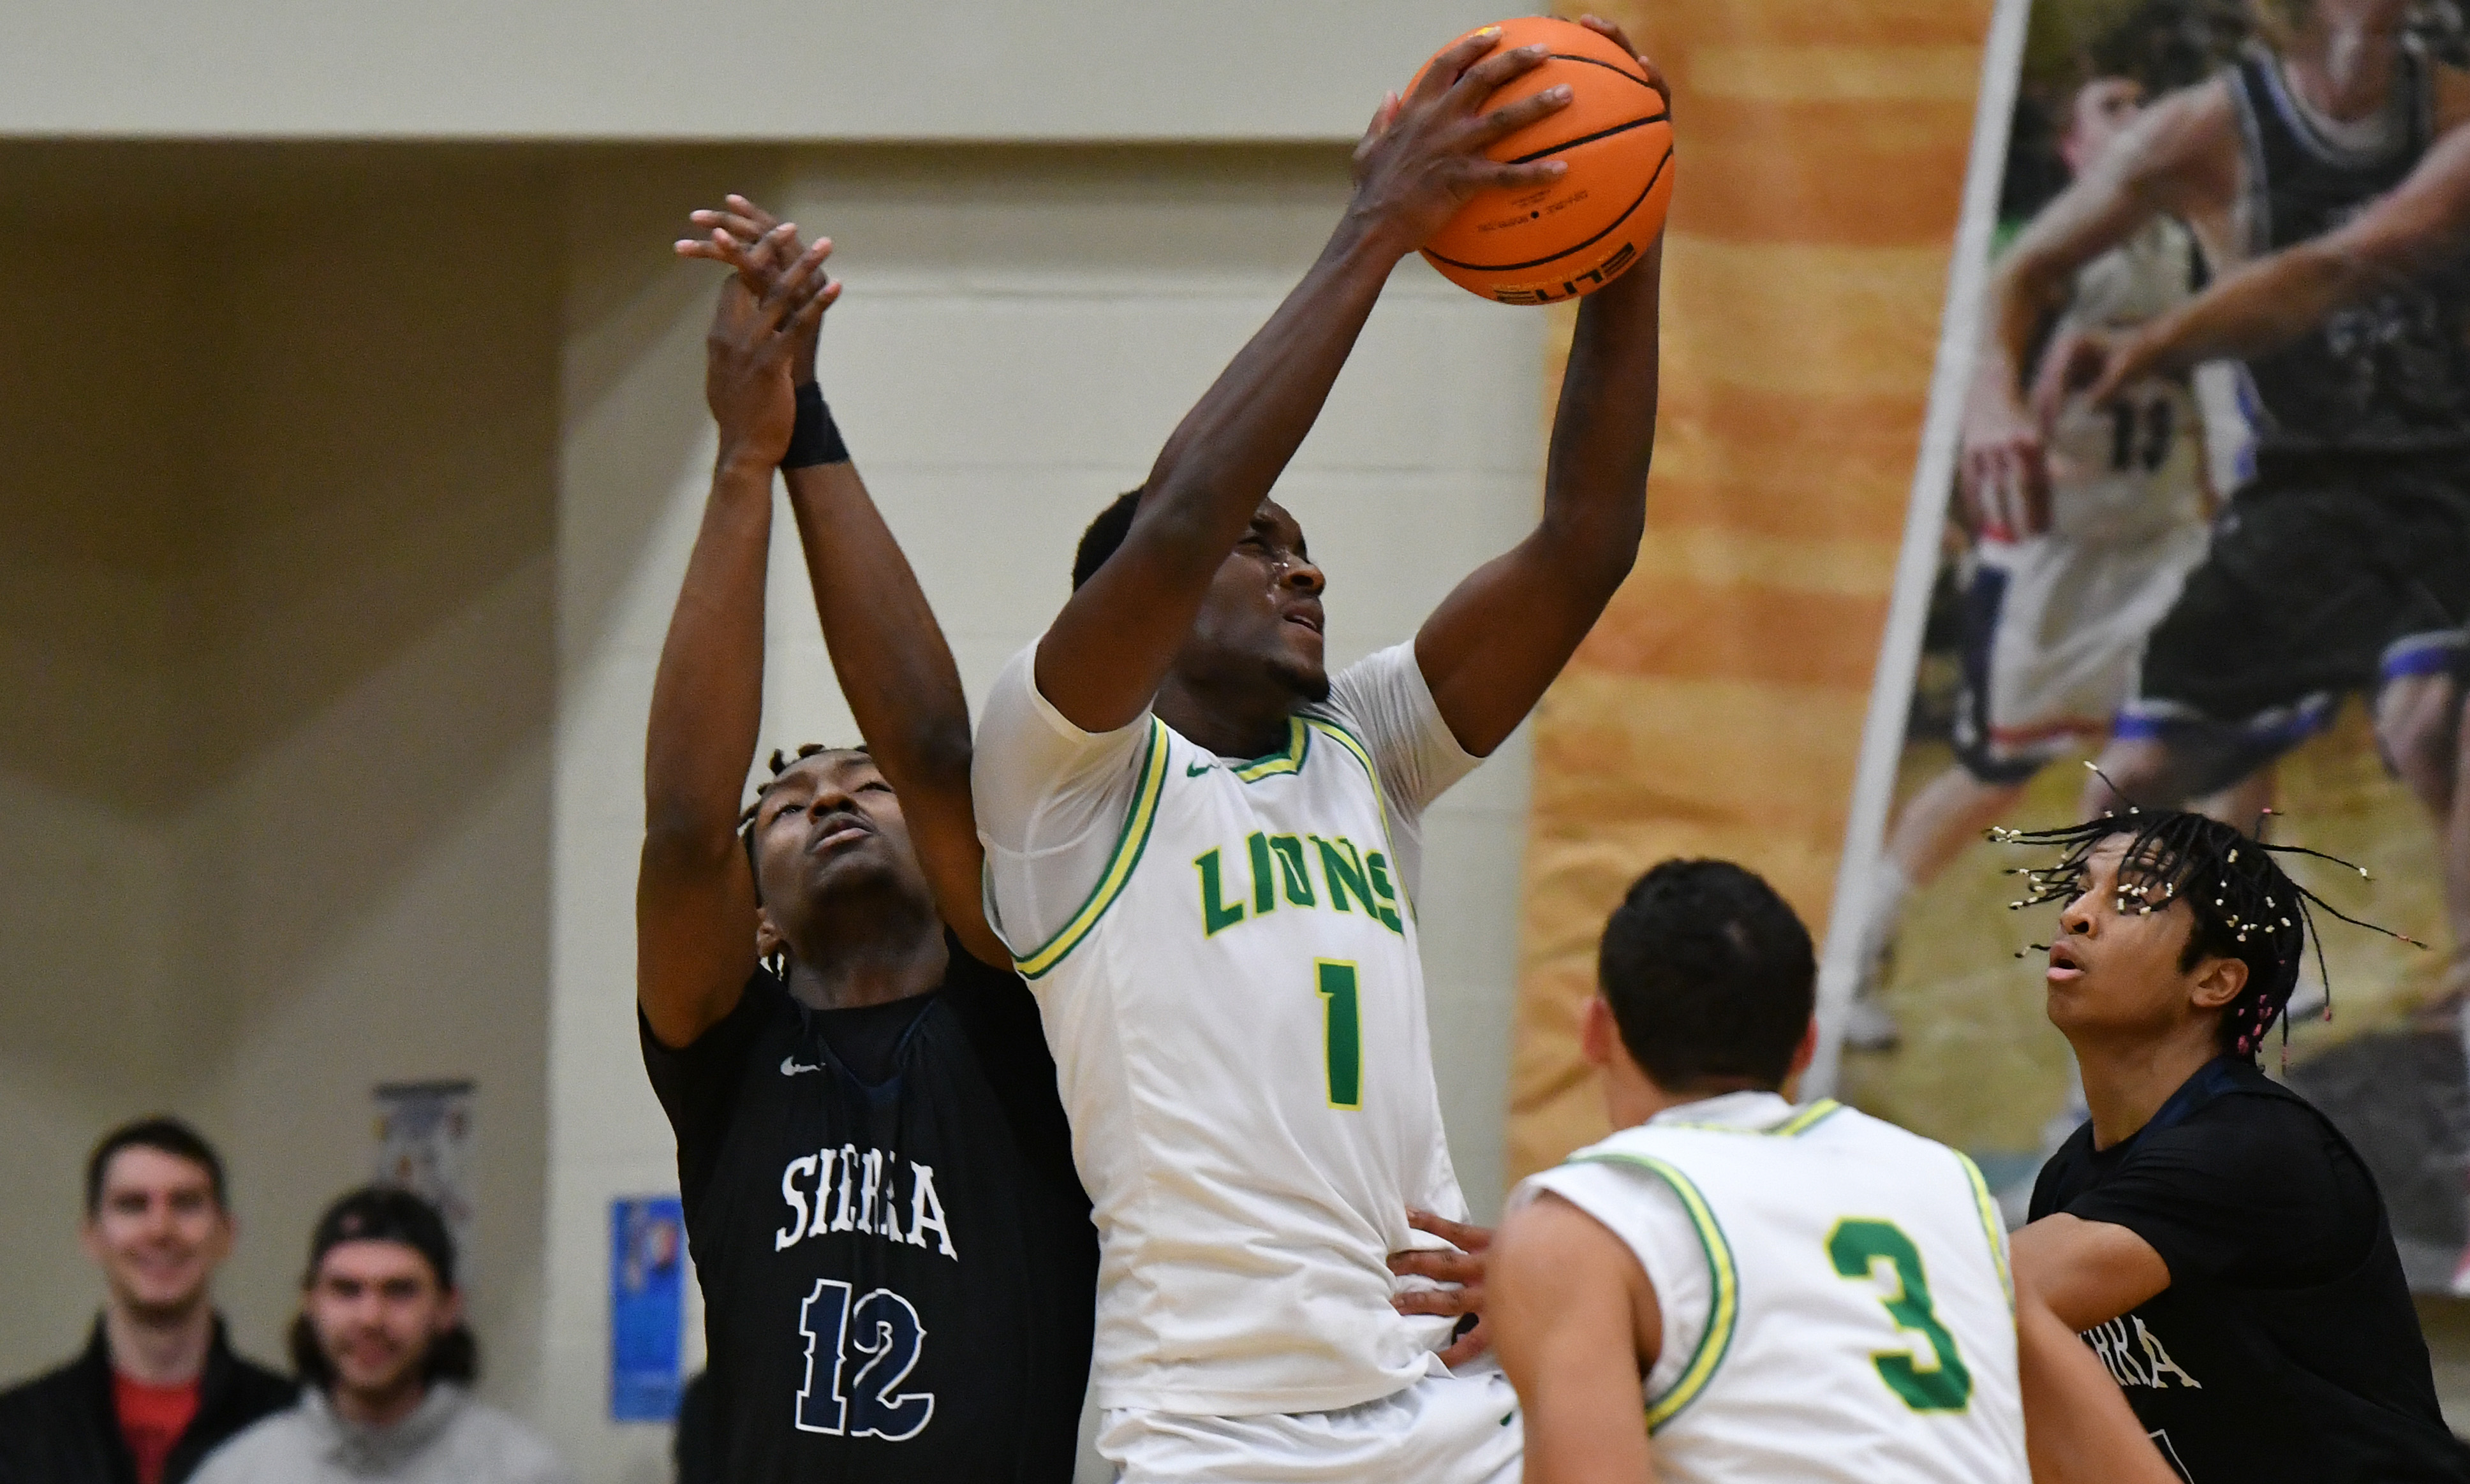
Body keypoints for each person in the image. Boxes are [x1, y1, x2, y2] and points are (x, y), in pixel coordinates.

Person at [968, 18, 1666, 1481]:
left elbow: (1587, 542)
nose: (1307, 575)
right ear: (1141, 610)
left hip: (1440, 1395)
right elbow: (1175, 516)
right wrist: (1376, 228)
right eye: (1261, 547)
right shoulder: (1063, 788)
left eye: (1307, 552)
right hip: (1210, 1423)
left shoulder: (1367, 746)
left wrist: (1626, 227)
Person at [637, 199, 1096, 1480]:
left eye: (859, 784)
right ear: (758, 916)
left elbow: (937, 752)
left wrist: (806, 432)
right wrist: (741, 457)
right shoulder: (726, 1060)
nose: (831, 798)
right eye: (785, 805)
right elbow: (682, 829)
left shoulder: (1021, 1014)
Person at [1962, 0, 2470, 964]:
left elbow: (2335, 266)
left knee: (2440, 720)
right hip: (2300, 477)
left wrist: (2147, 348)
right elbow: (2019, 273)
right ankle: (2106, 1038)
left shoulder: (2455, 118)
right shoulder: (2201, 131)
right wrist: (1992, 396)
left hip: (2452, 469)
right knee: (2132, 780)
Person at [1849, 68, 2249, 1051]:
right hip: (2046, 560)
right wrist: (1945, 519)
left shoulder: (2194, 240)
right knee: (1989, 775)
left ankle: (2188, 964)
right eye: (2110, 104)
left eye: (2144, 103)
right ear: (2072, 148)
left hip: (2163, 546)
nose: (2137, 115)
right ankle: (1852, 955)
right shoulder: (2026, 261)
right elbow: (1949, 395)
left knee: (2211, 742)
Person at [1486, 860, 2025, 1483]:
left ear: (1595, 1031)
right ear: (1807, 1042)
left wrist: (1541, 1273)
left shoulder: (1580, 1228)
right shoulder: (1946, 1183)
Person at [2002, 810, 2470, 1482]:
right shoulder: (2070, 1178)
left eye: (2130, 898)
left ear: (2215, 981)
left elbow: (1984, 1292)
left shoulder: (2251, 1148)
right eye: (2079, 888)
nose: (2075, 914)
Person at [191, 1187, 569, 1484]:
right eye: (347, 1290)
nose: (371, 1318)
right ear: (311, 1303)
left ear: (446, 1308)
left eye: (400, 1290)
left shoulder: (521, 1472)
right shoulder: (241, 1473)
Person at [0, 1119, 295, 1484]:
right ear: (92, 1237)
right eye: (133, 1205)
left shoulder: (292, 1424)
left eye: (186, 1204)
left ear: (226, 1235)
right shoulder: (17, 1432)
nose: (159, 1230)